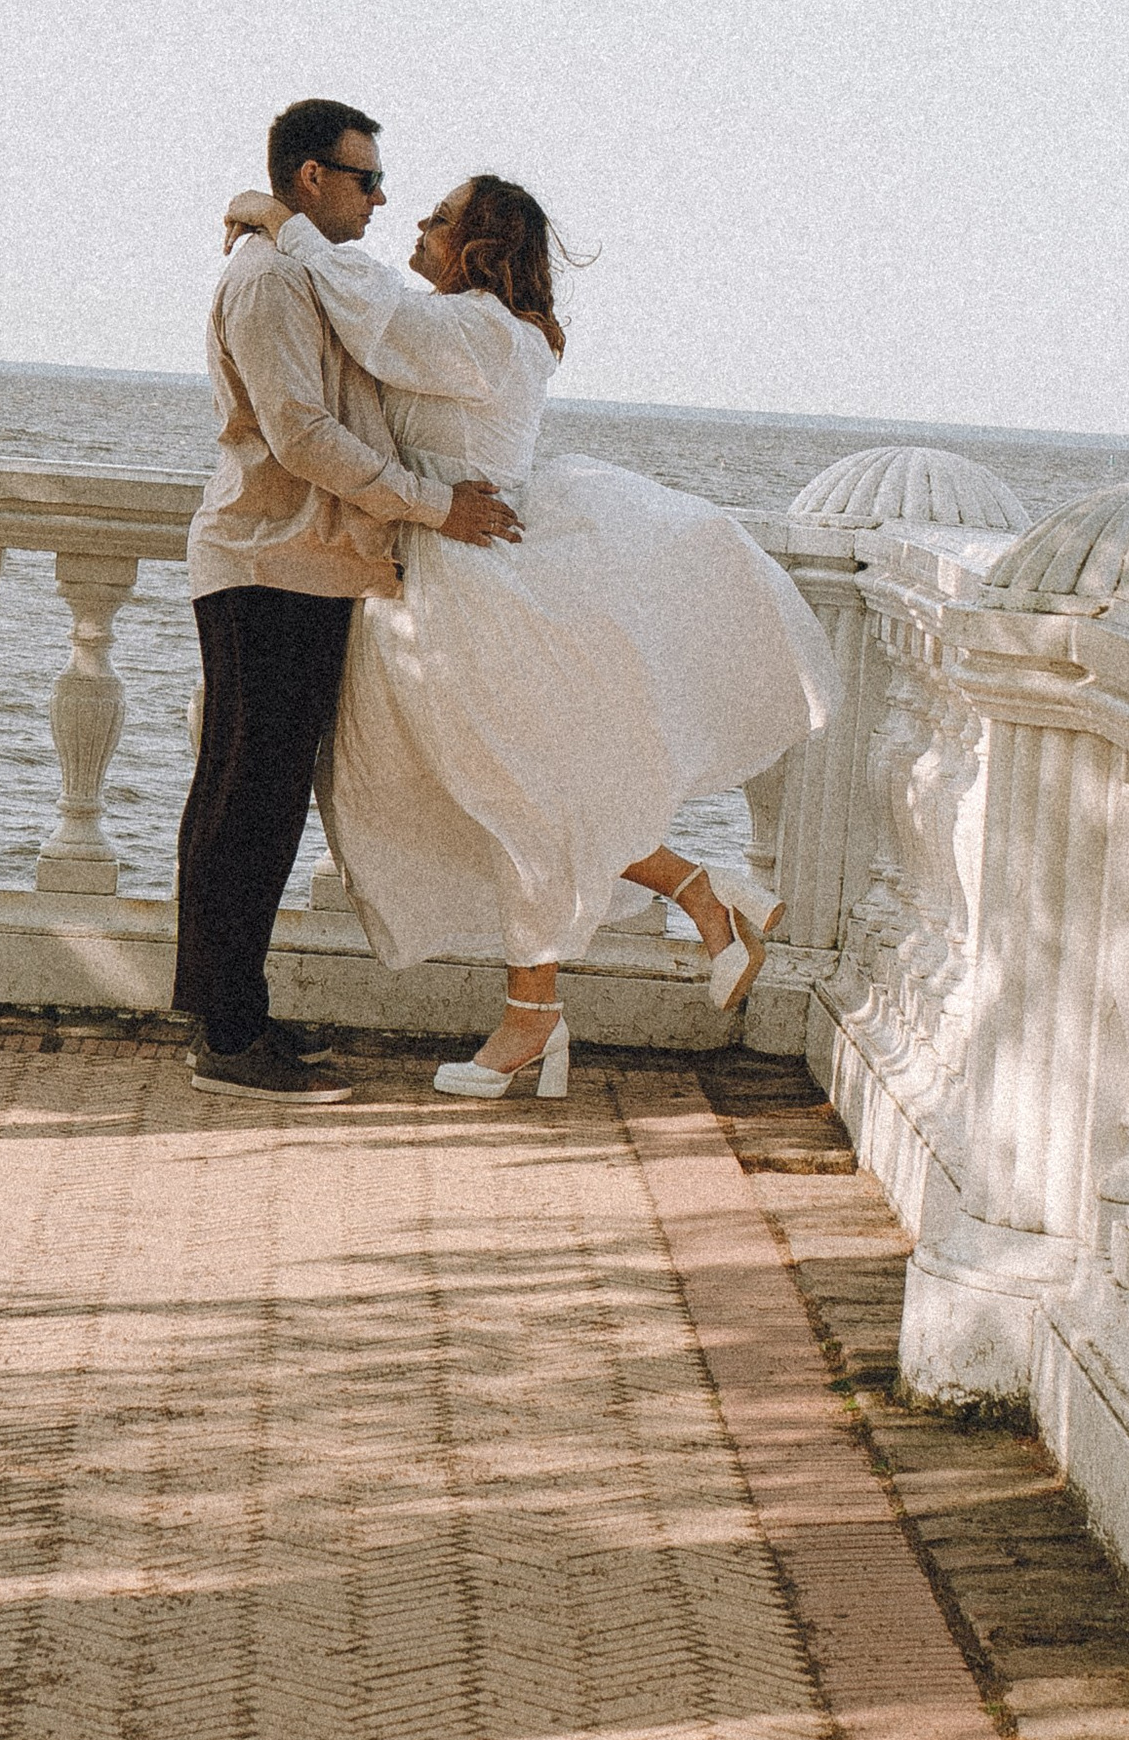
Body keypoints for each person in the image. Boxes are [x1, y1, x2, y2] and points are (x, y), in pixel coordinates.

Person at [220, 171, 827, 1098]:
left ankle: (545, 1009)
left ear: (480, 244)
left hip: (472, 586)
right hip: (434, 578)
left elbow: (373, 314)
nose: (416, 224)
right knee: (500, 798)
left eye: (440, 215)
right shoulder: (476, 329)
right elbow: (371, 313)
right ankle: (689, 905)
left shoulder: (478, 331)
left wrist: (285, 224)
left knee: (512, 797)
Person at [174, 99, 523, 1100]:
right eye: (365, 179)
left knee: (256, 801)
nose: (381, 197)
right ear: (311, 178)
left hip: (302, 565)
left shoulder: (299, 264)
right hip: (267, 564)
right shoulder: (273, 276)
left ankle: (232, 1017)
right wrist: (433, 507)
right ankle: (228, 1036)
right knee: (247, 803)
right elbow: (302, 437)